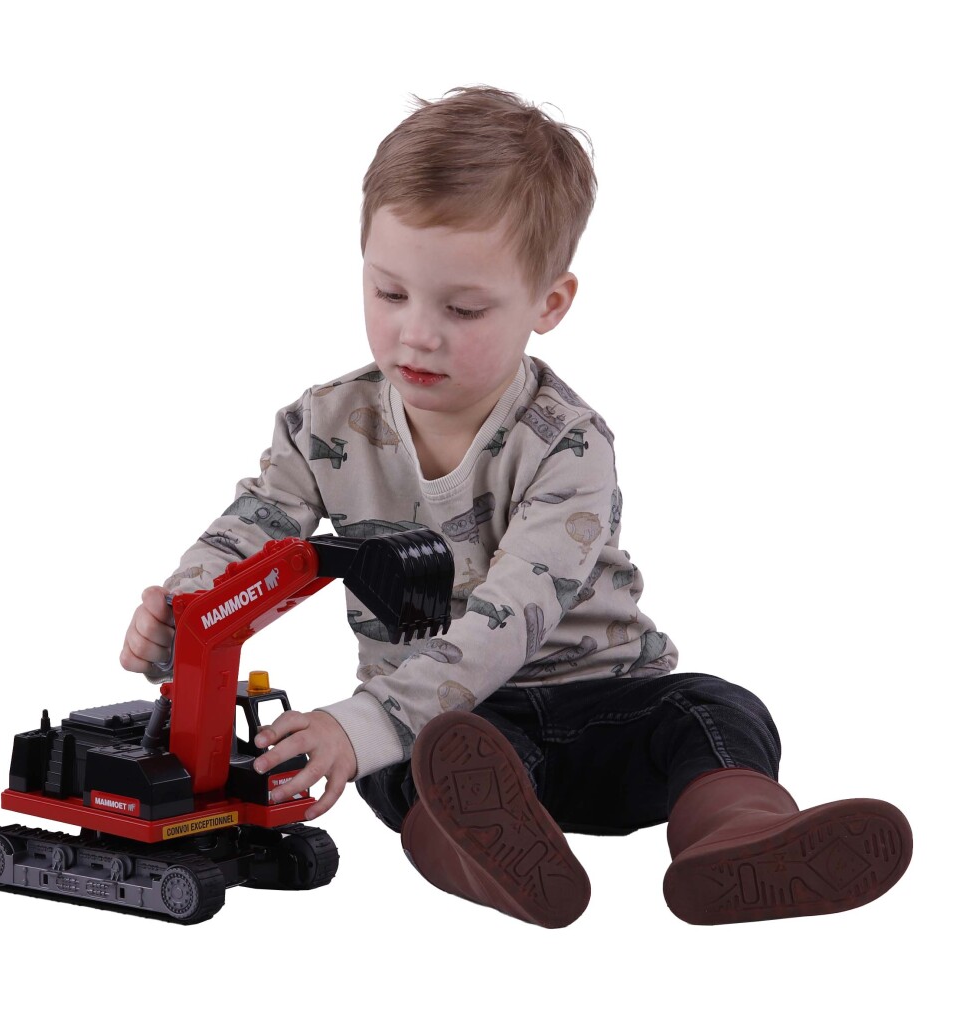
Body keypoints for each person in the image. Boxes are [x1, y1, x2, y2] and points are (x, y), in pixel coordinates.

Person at [120, 86, 912, 928]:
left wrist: (365, 721)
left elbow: (513, 613)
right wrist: (186, 613)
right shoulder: (325, 426)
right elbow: (256, 526)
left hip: (599, 707)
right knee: (406, 767)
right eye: (390, 293)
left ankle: (736, 836)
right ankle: (483, 852)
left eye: (462, 309)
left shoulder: (566, 444)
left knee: (716, 711)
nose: (417, 334)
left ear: (549, 303)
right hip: (458, 735)